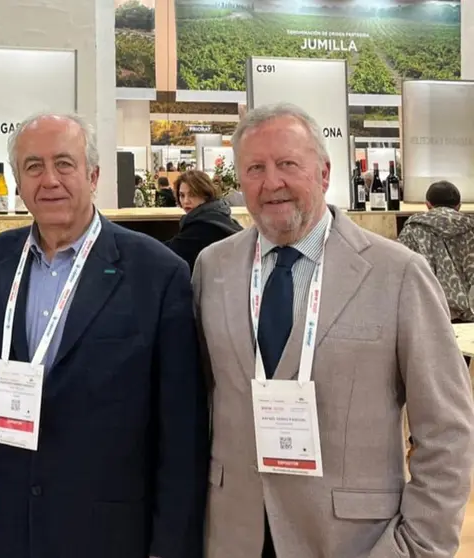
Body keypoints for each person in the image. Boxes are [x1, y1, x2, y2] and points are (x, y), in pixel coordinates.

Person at [192, 102, 474, 558]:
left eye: (287, 164)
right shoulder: (212, 268)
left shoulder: (398, 273)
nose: (271, 182)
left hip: (355, 541)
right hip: (232, 533)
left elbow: (447, 431)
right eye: (255, 168)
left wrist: (419, 546)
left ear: (323, 173)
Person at [0, 113, 208, 558]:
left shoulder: (156, 274)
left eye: (64, 163)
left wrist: (172, 543)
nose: (50, 180)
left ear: (93, 175)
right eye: (33, 166)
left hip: (110, 530)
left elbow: (181, 429)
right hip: (4, 525)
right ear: (18, 181)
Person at [398, 180, 474, 323]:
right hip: (471, 314)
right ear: (459, 206)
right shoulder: (471, 228)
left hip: (431, 314)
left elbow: (400, 274)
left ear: (428, 205)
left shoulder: (412, 230)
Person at [165, 169, 243, 270]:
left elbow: (168, 253)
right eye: (182, 195)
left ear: (206, 195)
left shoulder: (203, 227)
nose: (186, 201)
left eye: (192, 194)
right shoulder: (220, 217)